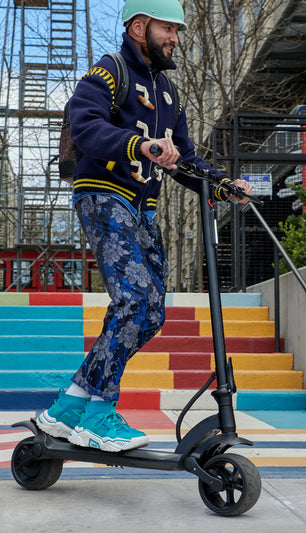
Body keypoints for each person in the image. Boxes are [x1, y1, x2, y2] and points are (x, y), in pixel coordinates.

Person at [36, 0, 252, 452]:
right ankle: (98, 414)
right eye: (168, 29)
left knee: (151, 312)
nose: (175, 38)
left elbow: (185, 159)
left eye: (177, 31)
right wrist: (140, 145)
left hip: (142, 207)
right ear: (139, 27)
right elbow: (86, 125)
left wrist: (219, 185)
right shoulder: (109, 72)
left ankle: (68, 406)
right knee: (133, 300)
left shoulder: (169, 94)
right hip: (103, 194)